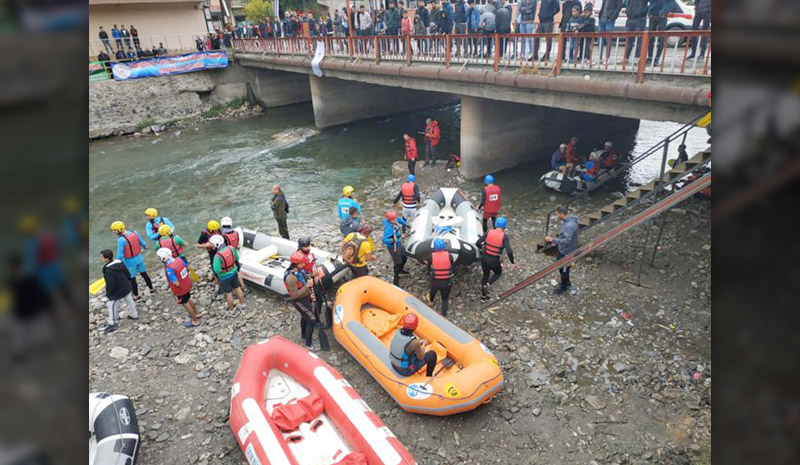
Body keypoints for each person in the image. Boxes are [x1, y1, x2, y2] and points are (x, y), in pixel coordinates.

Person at [284, 254, 323, 350]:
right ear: (296, 264)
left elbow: (306, 276)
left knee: (305, 317)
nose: (304, 264)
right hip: (298, 301)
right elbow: (295, 295)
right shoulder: (291, 278)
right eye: (302, 263)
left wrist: (313, 275)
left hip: (305, 297)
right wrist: (307, 286)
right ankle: (308, 344)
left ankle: (304, 335)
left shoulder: (300, 270)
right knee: (312, 319)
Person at [156, 248, 201, 328]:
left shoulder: (169, 269)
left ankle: (195, 321)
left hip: (180, 289)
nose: (157, 258)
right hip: (187, 284)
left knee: (185, 304)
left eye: (158, 257)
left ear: (163, 259)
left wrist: (173, 282)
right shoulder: (178, 260)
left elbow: (176, 283)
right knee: (189, 298)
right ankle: (197, 313)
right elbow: (188, 268)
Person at [111, 221, 154, 299]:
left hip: (130, 262)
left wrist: (115, 263)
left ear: (120, 229)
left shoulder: (121, 240)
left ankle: (136, 295)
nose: (114, 232)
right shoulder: (135, 233)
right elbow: (143, 243)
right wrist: (145, 247)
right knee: (144, 274)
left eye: (115, 230)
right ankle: (151, 288)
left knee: (132, 279)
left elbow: (120, 255)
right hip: (139, 258)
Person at [476, 216, 514, 302]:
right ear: (504, 226)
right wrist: (512, 262)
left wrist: (483, 248)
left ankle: (483, 296)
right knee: (498, 273)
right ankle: (488, 284)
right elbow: (509, 251)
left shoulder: (489, 231)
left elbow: (478, 243)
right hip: (494, 260)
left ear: (496, 225)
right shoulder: (504, 237)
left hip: (484, 257)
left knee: (486, 275)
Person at [100, 249, 138, 334]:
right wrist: (128, 282)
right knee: (129, 301)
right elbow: (127, 273)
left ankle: (112, 323)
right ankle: (134, 314)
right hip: (126, 286)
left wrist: (109, 294)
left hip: (117, 290)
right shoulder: (119, 263)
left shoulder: (108, 270)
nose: (101, 259)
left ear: (106, 259)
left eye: (102, 257)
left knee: (112, 305)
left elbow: (110, 283)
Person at [544, 206, 578, 294]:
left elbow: (567, 240)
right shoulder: (568, 222)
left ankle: (564, 287)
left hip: (567, 252)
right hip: (565, 249)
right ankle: (567, 282)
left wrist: (552, 240)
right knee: (562, 269)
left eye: (558, 214)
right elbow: (564, 236)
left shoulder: (569, 225)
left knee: (564, 269)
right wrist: (557, 241)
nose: (557, 216)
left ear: (562, 214)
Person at [210, 235, 246, 311]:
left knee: (228, 294)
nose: (211, 246)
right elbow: (237, 258)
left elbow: (217, 270)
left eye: (212, 244)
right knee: (238, 288)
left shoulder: (217, 256)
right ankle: (242, 305)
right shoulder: (231, 248)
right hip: (234, 273)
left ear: (216, 245)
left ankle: (231, 311)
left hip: (224, 277)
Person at [427, 238, 453, 316]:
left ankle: (431, 302)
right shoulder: (449, 256)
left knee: (433, 292)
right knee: (445, 299)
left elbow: (429, 269)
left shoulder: (431, 256)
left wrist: (429, 274)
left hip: (435, 281)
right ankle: (444, 315)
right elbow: (452, 267)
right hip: (446, 281)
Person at [383, 210, 408, 286]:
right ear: (389, 220)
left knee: (405, 256)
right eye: (393, 219)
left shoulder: (396, 219)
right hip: (393, 246)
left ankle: (401, 270)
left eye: (395, 218)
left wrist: (405, 224)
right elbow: (384, 239)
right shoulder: (388, 228)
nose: (395, 220)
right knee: (397, 262)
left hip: (398, 242)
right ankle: (396, 279)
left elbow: (400, 220)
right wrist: (391, 240)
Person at [221, 216, 246, 290]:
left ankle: (233, 286)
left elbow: (223, 248)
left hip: (228, 256)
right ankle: (243, 286)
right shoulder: (236, 233)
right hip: (235, 253)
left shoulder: (224, 236)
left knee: (231, 270)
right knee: (238, 270)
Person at [647, 0, 674, 66]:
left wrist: (664, 12)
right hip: (653, 15)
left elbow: (672, 3)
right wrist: (649, 12)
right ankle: (650, 58)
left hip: (662, 17)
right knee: (650, 38)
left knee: (661, 38)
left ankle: (657, 58)